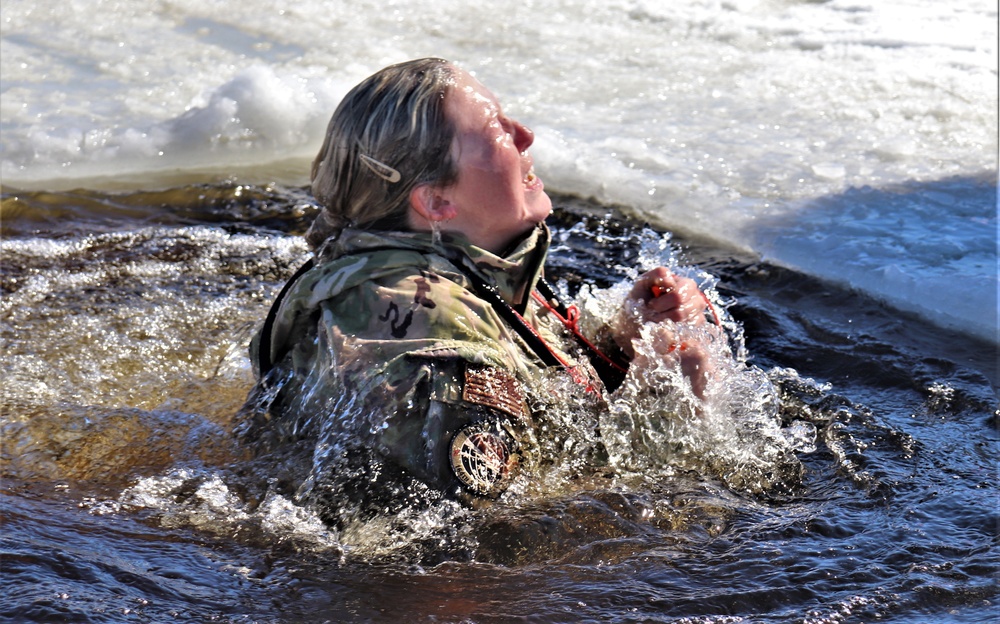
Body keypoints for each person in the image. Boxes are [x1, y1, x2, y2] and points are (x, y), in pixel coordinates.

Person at [242, 58, 718, 505]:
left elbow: (542, 399)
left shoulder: (468, 265)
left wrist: (623, 343)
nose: (525, 135)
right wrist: (668, 401)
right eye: (497, 131)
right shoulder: (436, 338)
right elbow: (484, 537)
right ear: (437, 202)